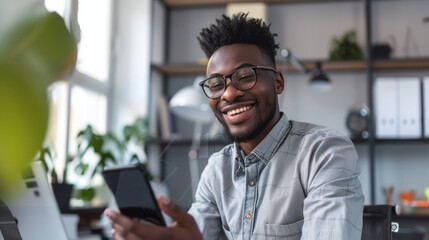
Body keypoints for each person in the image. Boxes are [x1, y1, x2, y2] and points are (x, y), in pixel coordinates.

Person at [104, 12, 364, 240]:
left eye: (245, 76)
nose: (228, 94)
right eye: (216, 85)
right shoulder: (217, 170)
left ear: (278, 82)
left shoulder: (324, 152)